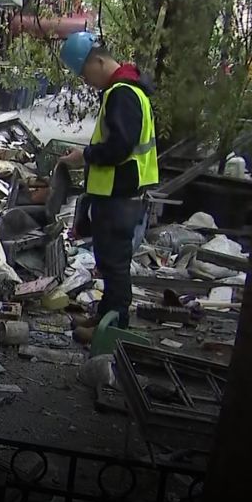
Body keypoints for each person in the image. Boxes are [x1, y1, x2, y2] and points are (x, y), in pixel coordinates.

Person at [56, 31, 159, 341]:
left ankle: (113, 328)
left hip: (119, 195)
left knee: (114, 265)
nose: (86, 82)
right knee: (110, 263)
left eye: (85, 74)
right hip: (118, 194)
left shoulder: (122, 93)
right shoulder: (128, 91)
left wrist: (84, 156)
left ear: (98, 61)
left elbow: (119, 147)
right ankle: (104, 317)